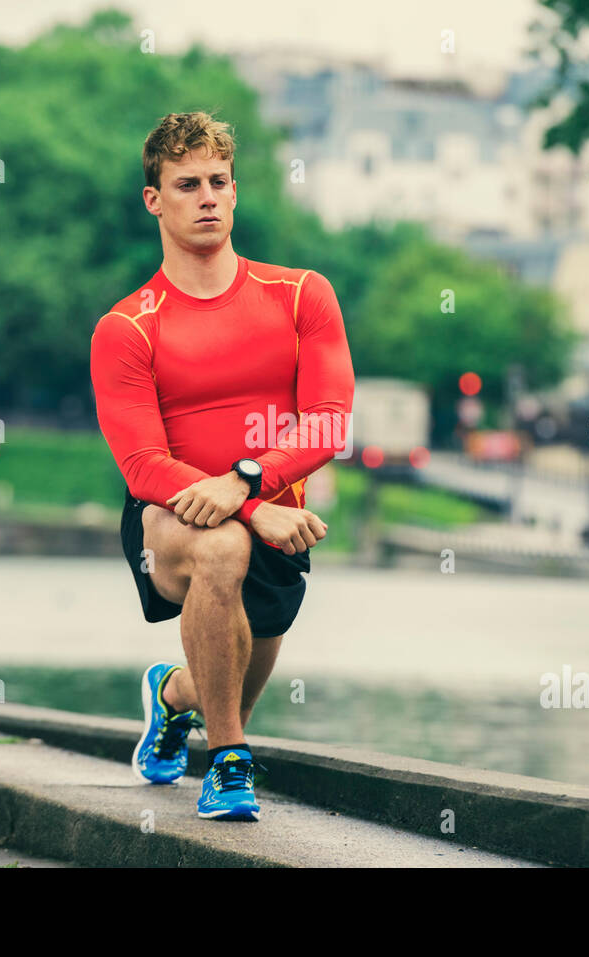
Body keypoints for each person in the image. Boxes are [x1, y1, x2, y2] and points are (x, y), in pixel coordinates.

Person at [90, 111, 355, 820]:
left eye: (218, 181)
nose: (206, 196)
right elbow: (144, 464)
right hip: (166, 517)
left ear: (235, 193)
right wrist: (248, 509)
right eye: (186, 184)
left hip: (274, 514)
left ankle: (172, 696)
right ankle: (230, 764)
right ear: (155, 200)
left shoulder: (302, 295)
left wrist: (247, 484)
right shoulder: (127, 327)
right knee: (222, 548)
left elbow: (330, 420)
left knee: (230, 671)